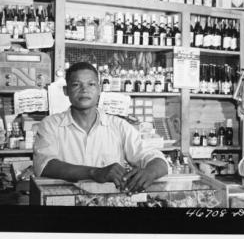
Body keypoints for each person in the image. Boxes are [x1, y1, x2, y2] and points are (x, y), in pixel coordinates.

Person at [34, 62, 168, 193]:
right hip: (65, 201)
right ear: (66, 90)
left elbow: (154, 157)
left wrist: (151, 171)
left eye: (91, 84)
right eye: (76, 84)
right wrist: (95, 172)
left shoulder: (119, 126)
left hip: (108, 202)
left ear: (99, 89)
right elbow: (45, 165)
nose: (84, 89)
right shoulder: (51, 125)